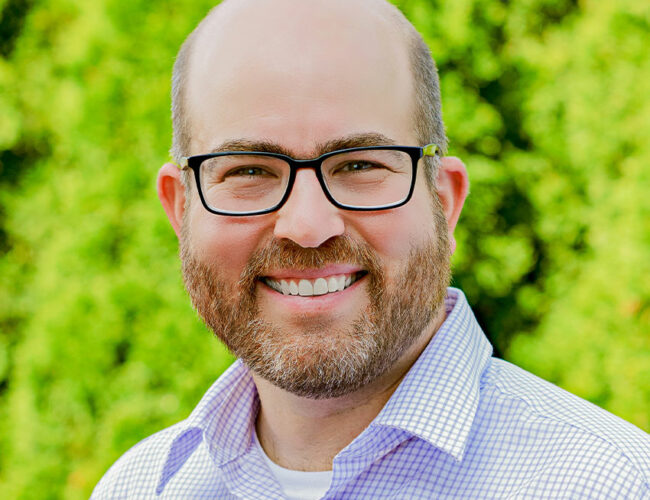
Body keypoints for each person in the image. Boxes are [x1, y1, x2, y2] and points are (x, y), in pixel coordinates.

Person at [92, 0, 650, 498]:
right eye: (249, 170)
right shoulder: (140, 486)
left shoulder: (608, 483)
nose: (307, 226)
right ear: (181, 208)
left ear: (445, 201)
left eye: (359, 165)